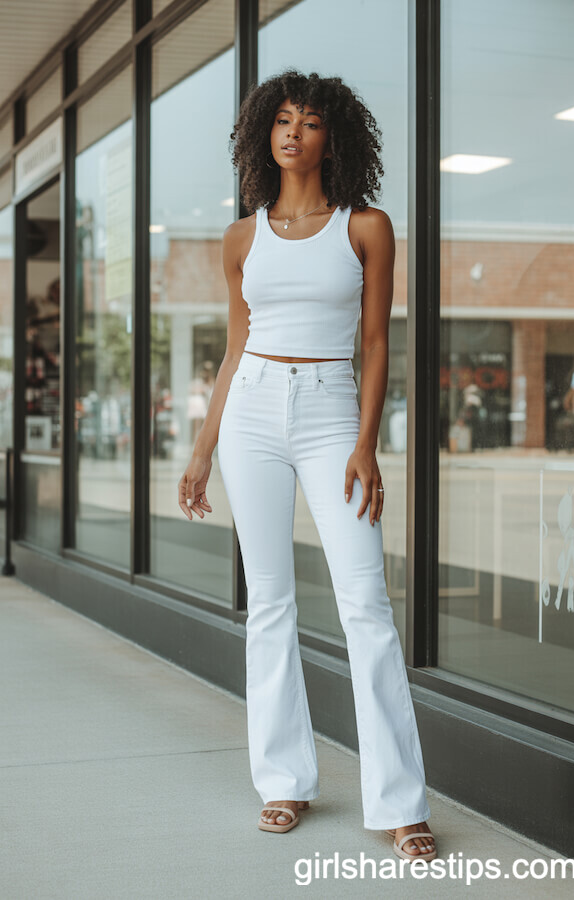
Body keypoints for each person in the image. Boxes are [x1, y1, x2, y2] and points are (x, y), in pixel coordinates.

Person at [177, 70, 436, 862]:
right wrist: (202, 449)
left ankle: (400, 803)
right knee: (269, 603)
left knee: (365, 605)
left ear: (334, 137)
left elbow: (378, 344)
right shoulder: (242, 238)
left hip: (330, 409)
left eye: (310, 121)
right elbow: (233, 349)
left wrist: (367, 442)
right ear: (265, 134)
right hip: (251, 409)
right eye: (282, 120)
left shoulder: (366, 227)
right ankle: (283, 782)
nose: (294, 132)